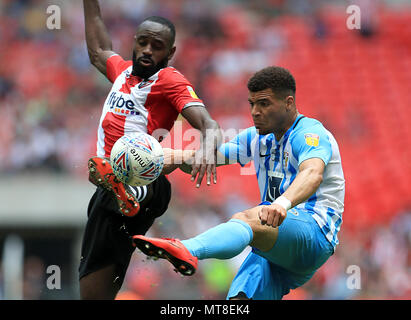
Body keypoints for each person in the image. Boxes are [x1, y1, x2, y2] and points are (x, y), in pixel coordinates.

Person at [132, 66, 345, 299]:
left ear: (289, 102)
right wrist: (171, 157)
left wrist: (282, 204)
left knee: (247, 218)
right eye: (252, 104)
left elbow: (312, 173)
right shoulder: (256, 138)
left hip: (314, 233)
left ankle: (187, 249)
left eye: (264, 104)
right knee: (237, 302)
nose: (255, 112)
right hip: (275, 243)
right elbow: (210, 158)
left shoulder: (309, 134)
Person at [80, 0, 221, 299]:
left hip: (146, 180)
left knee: (131, 165)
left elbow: (209, 124)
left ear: (169, 53)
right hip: (108, 194)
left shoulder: (169, 80)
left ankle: (128, 189)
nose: (147, 50)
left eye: (156, 46)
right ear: (134, 42)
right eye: (142, 42)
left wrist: (207, 148)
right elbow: (97, 51)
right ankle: (152, 230)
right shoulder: (122, 73)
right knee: (94, 292)